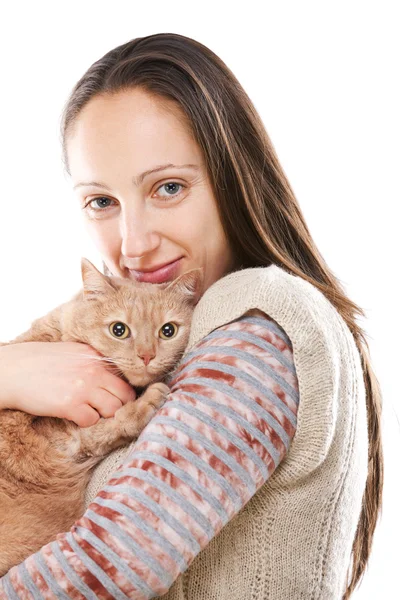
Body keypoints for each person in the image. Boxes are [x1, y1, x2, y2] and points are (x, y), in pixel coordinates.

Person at [0, 33, 383, 600]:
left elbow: (102, 571)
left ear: (235, 177)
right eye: (102, 201)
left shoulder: (258, 327)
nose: (134, 245)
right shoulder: (199, 325)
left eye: (169, 187)